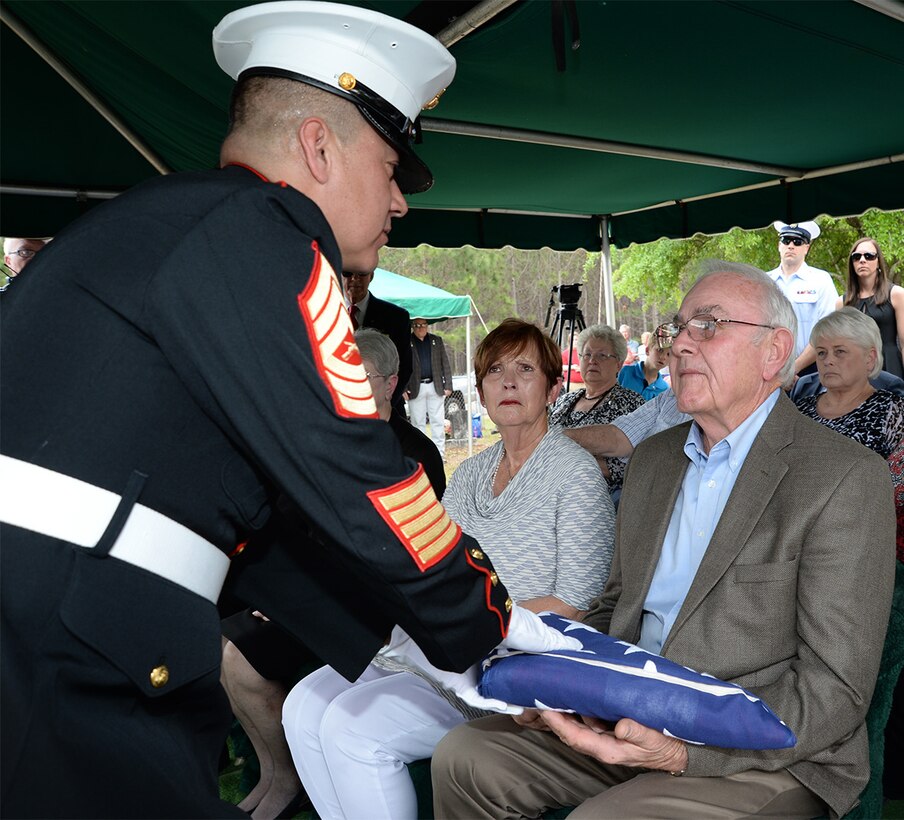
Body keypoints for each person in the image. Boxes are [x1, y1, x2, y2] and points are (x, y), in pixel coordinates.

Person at [0, 5, 573, 817]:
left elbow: (263, 528)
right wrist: (488, 624)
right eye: (387, 167)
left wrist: (398, 647)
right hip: (67, 642)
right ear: (317, 146)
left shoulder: (175, 224)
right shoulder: (261, 233)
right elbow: (351, 467)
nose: (399, 203)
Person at [432, 261, 895, 820]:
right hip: (623, 712)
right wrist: (553, 682)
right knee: (466, 755)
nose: (679, 347)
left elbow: (836, 689)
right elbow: (611, 607)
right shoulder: (653, 461)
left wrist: (683, 753)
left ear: (774, 352)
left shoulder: (842, 477)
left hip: (758, 751)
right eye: (678, 329)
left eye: (709, 325)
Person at [282, 318, 615, 820]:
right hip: (443, 646)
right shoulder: (472, 473)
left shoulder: (575, 473)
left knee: (351, 729)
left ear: (552, 387)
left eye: (525, 369)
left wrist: (467, 627)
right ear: (478, 390)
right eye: (494, 370)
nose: (507, 381)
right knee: (303, 704)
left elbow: (578, 603)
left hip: (509, 663)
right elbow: (433, 566)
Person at [220, 328, 444, 820]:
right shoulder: (329, 441)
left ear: (390, 384)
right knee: (227, 639)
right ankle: (275, 773)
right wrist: (283, 591)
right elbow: (288, 524)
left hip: (371, 609)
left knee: (240, 657)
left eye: (360, 377)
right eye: (340, 377)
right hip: (317, 592)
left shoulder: (416, 455)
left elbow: (393, 557)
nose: (348, 388)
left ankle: (287, 780)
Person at [794, 308, 904, 458]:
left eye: (839, 351)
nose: (828, 361)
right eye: (821, 353)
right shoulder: (801, 409)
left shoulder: (893, 412)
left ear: (869, 358)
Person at [549, 323, 645, 492]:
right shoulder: (565, 400)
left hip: (597, 499)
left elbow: (632, 465)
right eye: (587, 354)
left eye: (602, 356)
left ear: (618, 364)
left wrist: (566, 459)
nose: (592, 360)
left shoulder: (632, 404)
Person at [767, 220, 837, 376]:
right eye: (786, 240)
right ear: (779, 245)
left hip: (811, 370)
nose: (791, 246)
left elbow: (828, 330)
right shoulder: (764, 281)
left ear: (807, 248)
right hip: (769, 369)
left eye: (797, 242)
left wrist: (794, 368)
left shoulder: (821, 280)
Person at [342, 270, 413, 410]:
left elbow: (405, 368)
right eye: (348, 273)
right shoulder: (321, 314)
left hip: (384, 411)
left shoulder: (396, 317)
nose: (354, 279)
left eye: (362, 273)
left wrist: (384, 405)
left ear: (371, 276)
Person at [837, 236, 904, 379]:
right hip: (856, 372)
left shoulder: (896, 294)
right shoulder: (842, 302)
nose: (862, 260)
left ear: (878, 261)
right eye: (856, 257)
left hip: (890, 366)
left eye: (869, 256)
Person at [406, 317, 453, 458]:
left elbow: (445, 363)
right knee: (417, 424)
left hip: (435, 386)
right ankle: (421, 455)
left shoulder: (436, 341)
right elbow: (401, 365)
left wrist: (448, 385)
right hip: (415, 388)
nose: (421, 328)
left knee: (437, 422)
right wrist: (402, 389)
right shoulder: (407, 342)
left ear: (428, 326)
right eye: (417, 325)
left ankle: (440, 455)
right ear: (413, 327)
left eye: (423, 325)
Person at [617, 331, 670, 400]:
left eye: (669, 354)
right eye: (659, 350)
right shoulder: (624, 372)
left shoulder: (664, 389)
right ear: (647, 350)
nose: (663, 357)